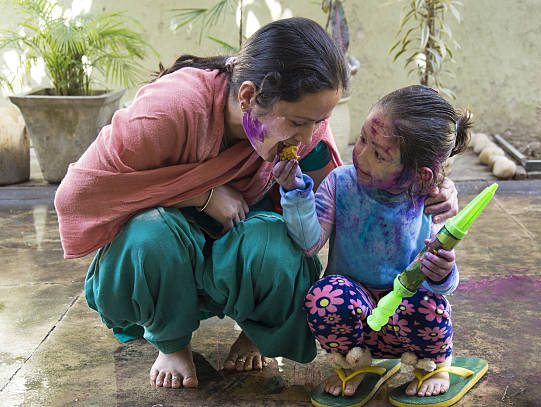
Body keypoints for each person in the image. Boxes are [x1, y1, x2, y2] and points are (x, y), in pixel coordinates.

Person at [54, 18, 460, 390]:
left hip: (237, 258)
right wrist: (201, 193)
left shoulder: (309, 133)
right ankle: (171, 342)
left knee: (278, 245)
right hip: (169, 260)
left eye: (320, 121)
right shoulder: (169, 112)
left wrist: (430, 189)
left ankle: (255, 332)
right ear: (247, 96)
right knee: (148, 235)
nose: (308, 137)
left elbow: (347, 202)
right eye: (299, 122)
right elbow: (78, 195)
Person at [272, 85, 471, 402]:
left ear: (420, 175)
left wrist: (444, 272)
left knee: (430, 304)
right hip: (355, 316)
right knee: (323, 296)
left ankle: (435, 366)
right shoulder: (341, 183)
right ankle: (358, 364)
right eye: (363, 139)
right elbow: (309, 244)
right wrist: (295, 192)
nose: (361, 155)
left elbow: (444, 286)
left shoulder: (430, 202)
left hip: (405, 317)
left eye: (379, 154)